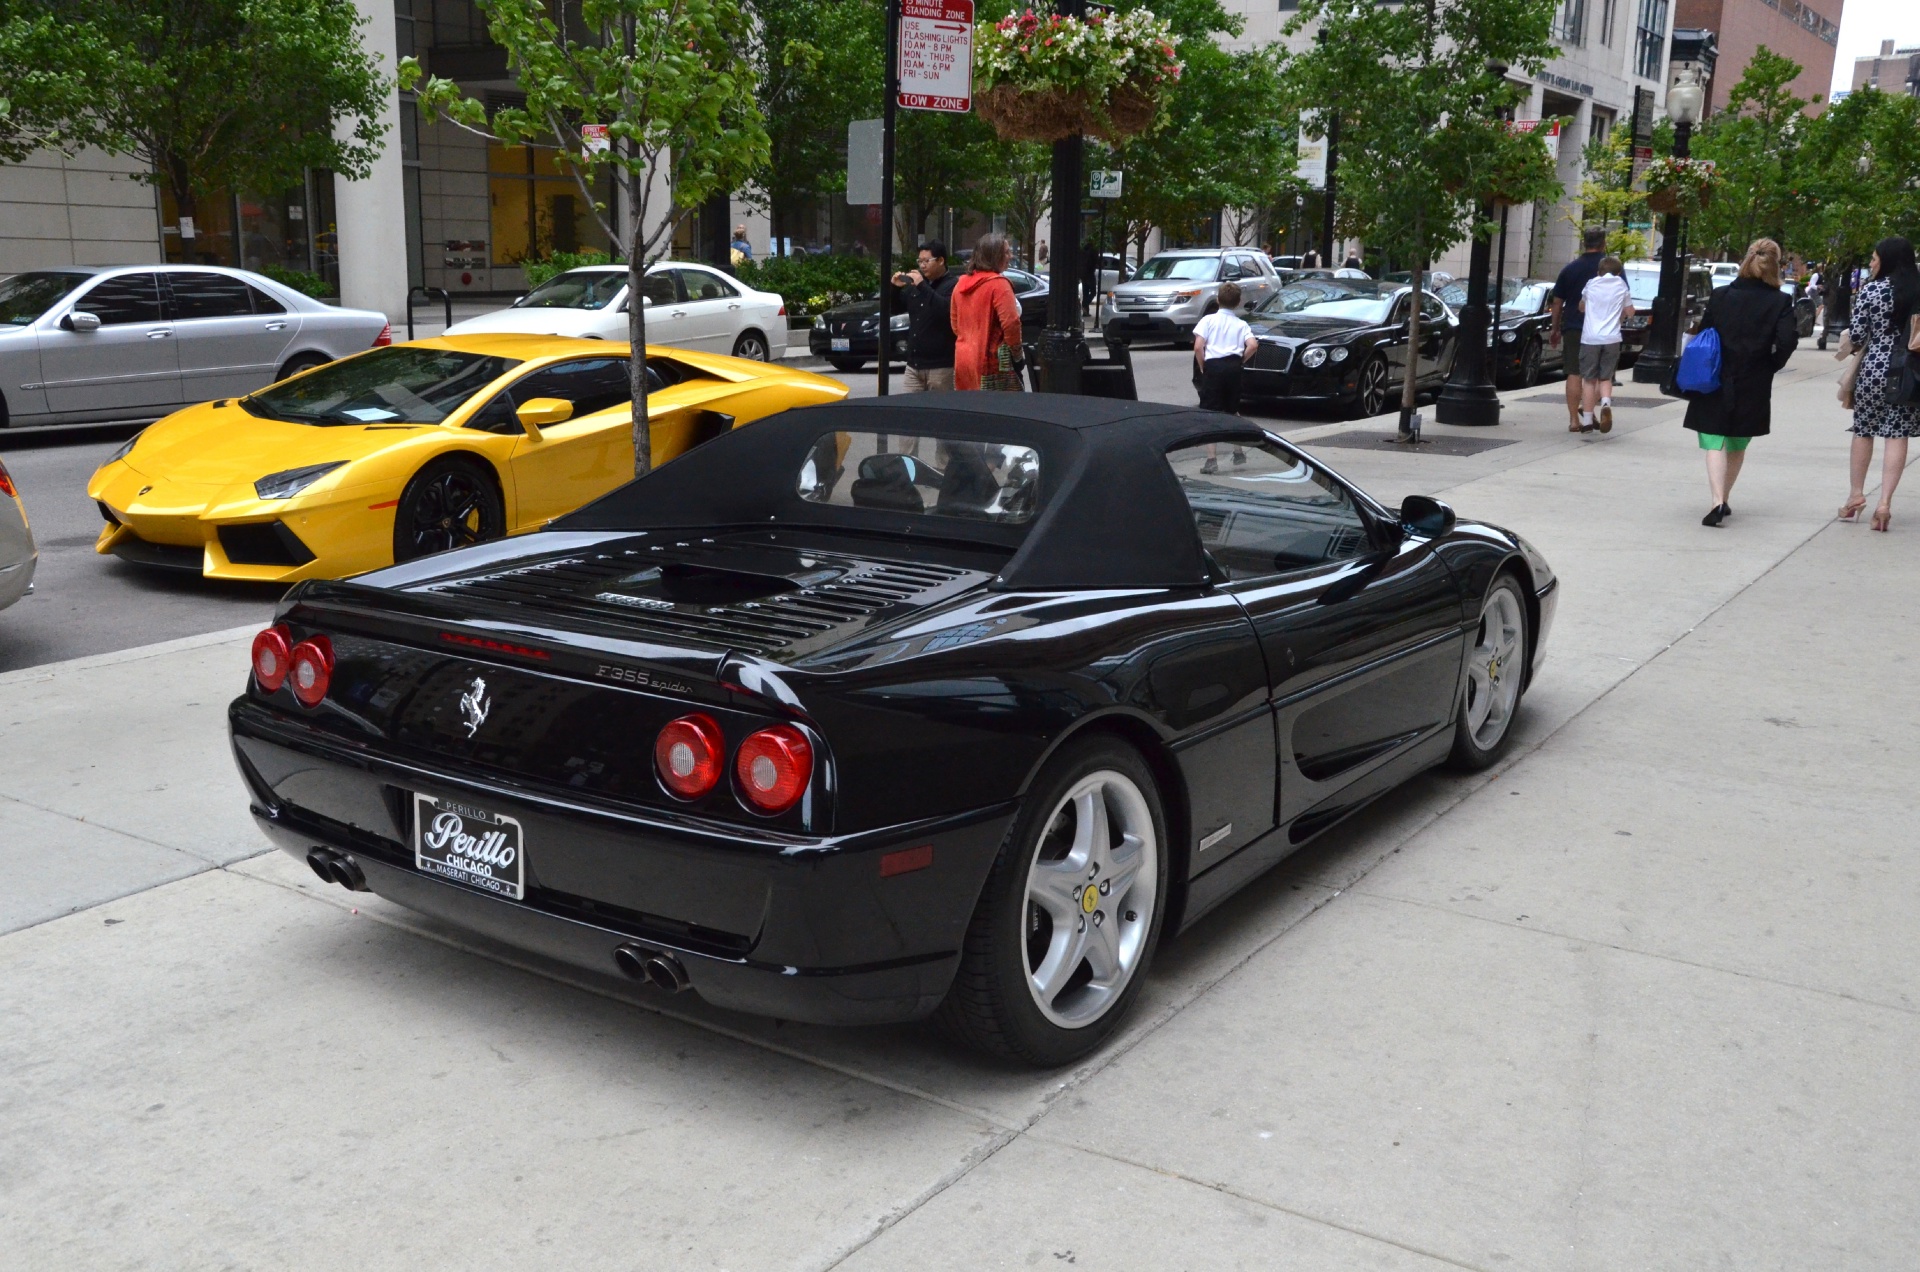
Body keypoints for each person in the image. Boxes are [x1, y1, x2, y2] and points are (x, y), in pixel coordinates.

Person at [1683, 239, 1798, 527]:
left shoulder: (1721, 296)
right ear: (1775, 265)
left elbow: (1706, 332)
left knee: (1714, 438)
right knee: (1737, 440)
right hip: (1754, 377)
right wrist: (1772, 364)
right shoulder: (1780, 300)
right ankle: (1726, 497)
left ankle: (1717, 500)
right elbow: (1787, 341)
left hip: (1716, 374)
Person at [1838, 236, 1920, 531]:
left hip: (1874, 369)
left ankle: (1856, 495)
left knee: (1864, 430)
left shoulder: (1872, 290)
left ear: (1887, 260)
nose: (1871, 263)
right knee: (1897, 434)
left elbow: (1858, 336)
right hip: (1909, 370)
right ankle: (1884, 503)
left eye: (1874, 258)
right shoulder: (1917, 290)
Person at [1191, 282, 1259, 472]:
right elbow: (1253, 345)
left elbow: (1198, 346)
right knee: (1232, 409)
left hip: (1214, 367)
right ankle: (1238, 451)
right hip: (1233, 367)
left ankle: (1211, 460)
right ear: (1237, 303)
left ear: (1218, 300)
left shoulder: (1208, 321)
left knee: (1210, 413)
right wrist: (1240, 361)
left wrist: (1203, 365)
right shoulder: (1241, 324)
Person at [1549, 227, 1608, 433]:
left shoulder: (1570, 269)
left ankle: (1574, 420)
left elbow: (1557, 302)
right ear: (1603, 243)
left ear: (1584, 243)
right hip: (1602, 329)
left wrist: (1555, 328)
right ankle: (1588, 405)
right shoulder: (1610, 269)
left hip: (1574, 327)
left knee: (1574, 373)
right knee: (1602, 374)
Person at [951, 233, 1025, 392]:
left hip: (963, 359)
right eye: (1005, 252)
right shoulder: (999, 284)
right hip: (991, 361)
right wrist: (1017, 355)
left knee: (970, 410)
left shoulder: (960, 284)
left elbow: (955, 325)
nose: (1010, 256)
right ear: (994, 255)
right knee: (1001, 411)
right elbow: (1011, 324)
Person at [890, 240, 959, 392]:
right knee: (910, 411)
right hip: (914, 365)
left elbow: (945, 311)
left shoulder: (953, 285)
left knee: (939, 412)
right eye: (919, 261)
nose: (922, 265)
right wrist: (895, 288)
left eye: (927, 261)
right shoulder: (917, 286)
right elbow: (895, 308)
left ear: (941, 260)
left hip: (941, 366)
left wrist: (923, 286)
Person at [1576, 255, 1635, 433]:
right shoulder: (1621, 285)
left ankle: (1587, 421)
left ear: (1598, 272)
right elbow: (1630, 312)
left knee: (1588, 380)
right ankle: (1606, 404)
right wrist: (1621, 314)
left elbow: (1581, 307)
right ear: (1618, 272)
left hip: (1590, 338)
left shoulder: (1591, 284)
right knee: (1605, 377)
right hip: (1612, 338)